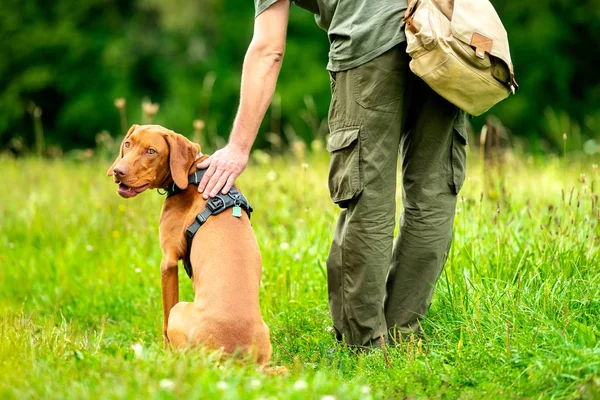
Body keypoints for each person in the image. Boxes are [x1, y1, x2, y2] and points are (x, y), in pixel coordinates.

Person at [196, 0, 467, 349]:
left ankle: (365, 343)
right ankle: (405, 335)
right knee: (433, 194)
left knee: (367, 196)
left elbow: (269, 50)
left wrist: (238, 147)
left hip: (370, 46)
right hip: (447, 38)